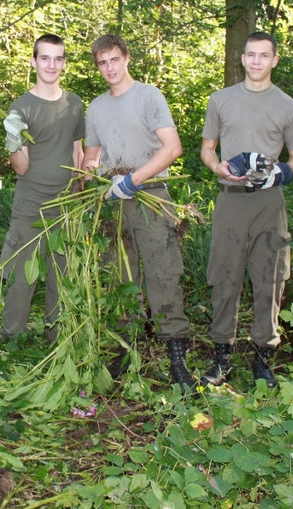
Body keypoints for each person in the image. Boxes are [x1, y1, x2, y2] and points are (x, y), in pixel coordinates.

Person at [82, 34, 194, 391]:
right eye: (102, 63)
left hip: (150, 195)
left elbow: (172, 148)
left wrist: (134, 179)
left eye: (114, 59)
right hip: (114, 201)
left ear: (127, 58)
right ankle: (126, 350)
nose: (109, 68)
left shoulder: (149, 96)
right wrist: (90, 182)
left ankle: (177, 356)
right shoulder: (96, 107)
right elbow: (91, 155)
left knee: (163, 273)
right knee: (121, 277)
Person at [199, 32, 293, 388]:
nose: (257, 61)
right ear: (241, 59)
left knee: (269, 278)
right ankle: (222, 354)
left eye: (264, 55)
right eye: (250, 55)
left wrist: (282, 172)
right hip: (230, 198)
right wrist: (218, 168)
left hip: (268, 203)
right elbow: (207, 149)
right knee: (224, 275)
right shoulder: (220, 100)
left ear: (275, 60)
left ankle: (263, 356)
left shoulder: (289, 107)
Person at [0, 34, 85, 341]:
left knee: (60, 275)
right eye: (45, 58)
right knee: (23, 276)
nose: (51, 64)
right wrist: (13, 140)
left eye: (58, 58)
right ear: (34, 61)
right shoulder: (21, 107)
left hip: (65, 202)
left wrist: (81, 189)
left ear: (64, 63)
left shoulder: (74, 105)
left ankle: (56, 339)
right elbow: (21, 167)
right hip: (31, 203)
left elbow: (78, 152)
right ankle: (11, 341)